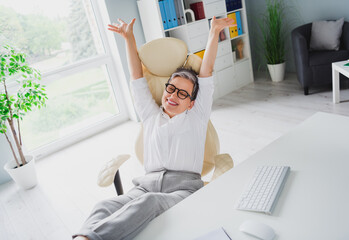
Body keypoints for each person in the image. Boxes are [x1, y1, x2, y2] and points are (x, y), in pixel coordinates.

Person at [73, 16, 235, 240]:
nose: (173, 96)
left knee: (149, 203)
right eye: (171, 88)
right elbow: (136, 78)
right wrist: (128, 38)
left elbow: (206, 74)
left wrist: (213, 32)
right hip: (146, 186)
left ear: (192, 102)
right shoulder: (150, 115)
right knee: (103, 206)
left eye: (183, 93)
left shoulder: (196, 117)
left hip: (183, 189)